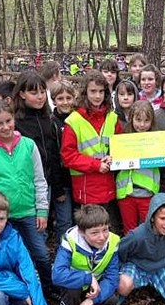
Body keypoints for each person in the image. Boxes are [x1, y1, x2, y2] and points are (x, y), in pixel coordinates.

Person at [0, 100, 56, 300]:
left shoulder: (28, 145)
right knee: (12, 258)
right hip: (1, 217)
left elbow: (39, 179)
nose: (6, 127)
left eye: (8, 121)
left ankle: (49, 289)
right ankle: (20, 293)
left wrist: (42, 210)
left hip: (28, 211)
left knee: (41, 254)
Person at [52, 205, 120, 305]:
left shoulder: (113, 241)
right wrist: (87, 278)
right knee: (71, 291)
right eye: (95, 233)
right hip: (74, 285)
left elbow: (112, 278)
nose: (102, 237)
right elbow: (57, 274)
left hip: (92, 291)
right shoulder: (71, 241)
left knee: (112, 300)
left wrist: (90, 301)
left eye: (105, 230)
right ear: (82, 232)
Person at [61, 70, 124, 235]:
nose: (98, 96)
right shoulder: (74, 121)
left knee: (111, 232)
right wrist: (97, 165)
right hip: (86, 187)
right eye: (93, 91)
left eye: (101, 91)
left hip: (110, 185)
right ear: (85, 93)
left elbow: (121, 146)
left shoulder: (112, 117)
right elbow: (68, 156)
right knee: (92, 233)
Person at [12, 72, 66, 242]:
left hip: (45, 183)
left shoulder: (49, 120)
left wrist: (57, 187)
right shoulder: (14, 122)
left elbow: (53, 155)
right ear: (22, 94)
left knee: (39, 229)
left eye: (43, 92)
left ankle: (38, 265)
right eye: (34, 93)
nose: (40, 97)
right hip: (22, 185)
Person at [116, 101, 163, 234]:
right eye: (138, 120)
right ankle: (130, 255)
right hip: (126, 192)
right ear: (131, 119)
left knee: (147, 230)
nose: (142, 125)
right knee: (129, 230)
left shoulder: (157, 140)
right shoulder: (123, 138)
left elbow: (162, 165)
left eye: (146, 120)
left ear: (151, 121)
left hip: (147, 193)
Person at [50, 80, 76, 243]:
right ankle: (63, 253)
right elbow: (52, 157)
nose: (65, 102)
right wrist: (57, 188)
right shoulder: (52, 122)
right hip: (62, 180)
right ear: (54, 100)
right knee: (64, 220)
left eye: (68, 98)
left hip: (79, 178)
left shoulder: (79, 118)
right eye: (60, 98)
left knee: (79, 218)